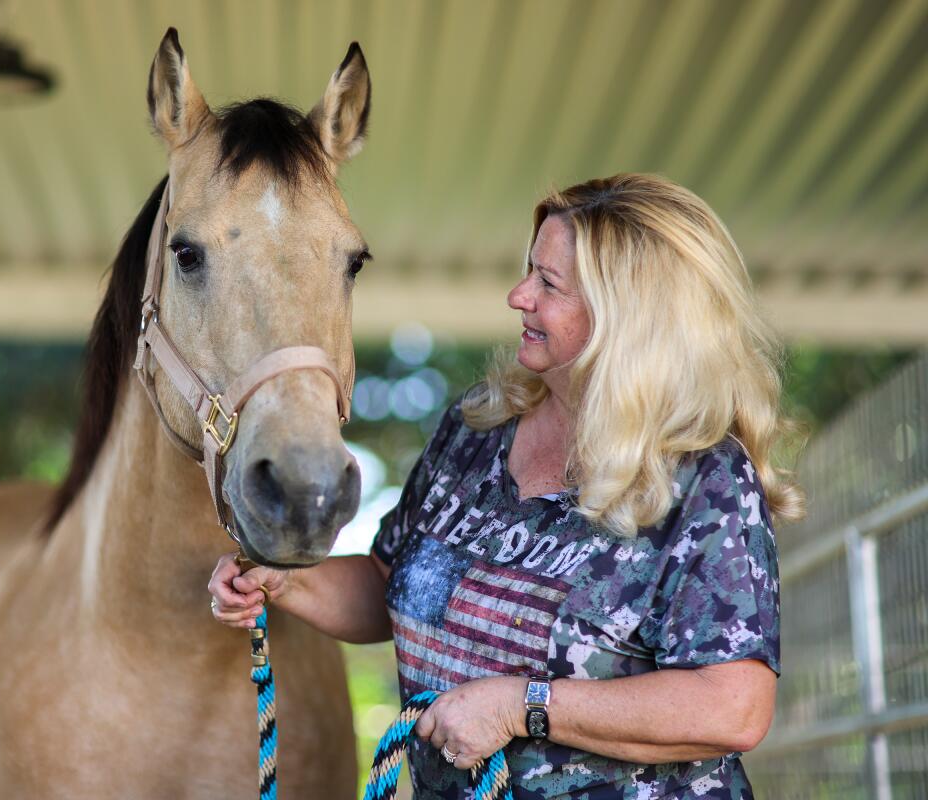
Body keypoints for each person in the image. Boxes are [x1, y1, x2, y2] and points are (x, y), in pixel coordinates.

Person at [208, 173, 804, 798]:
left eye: (549, 284)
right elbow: (391, 584)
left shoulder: (704, 478)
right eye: (529, 271)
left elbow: (731, 707)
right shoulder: (474, 430)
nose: (519, 296)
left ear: (626, 318)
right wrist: (287, 579)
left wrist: (522, 707)